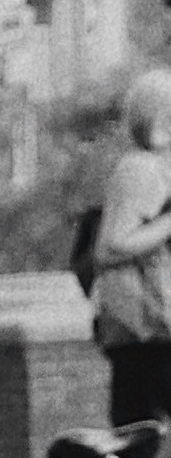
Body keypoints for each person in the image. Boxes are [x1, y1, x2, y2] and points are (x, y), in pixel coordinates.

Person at [88, 66, 171, 427]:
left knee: (136, 441)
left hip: (151, 333)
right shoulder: (141, 169)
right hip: (147, 330)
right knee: (136, 437)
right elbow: (112, 246)